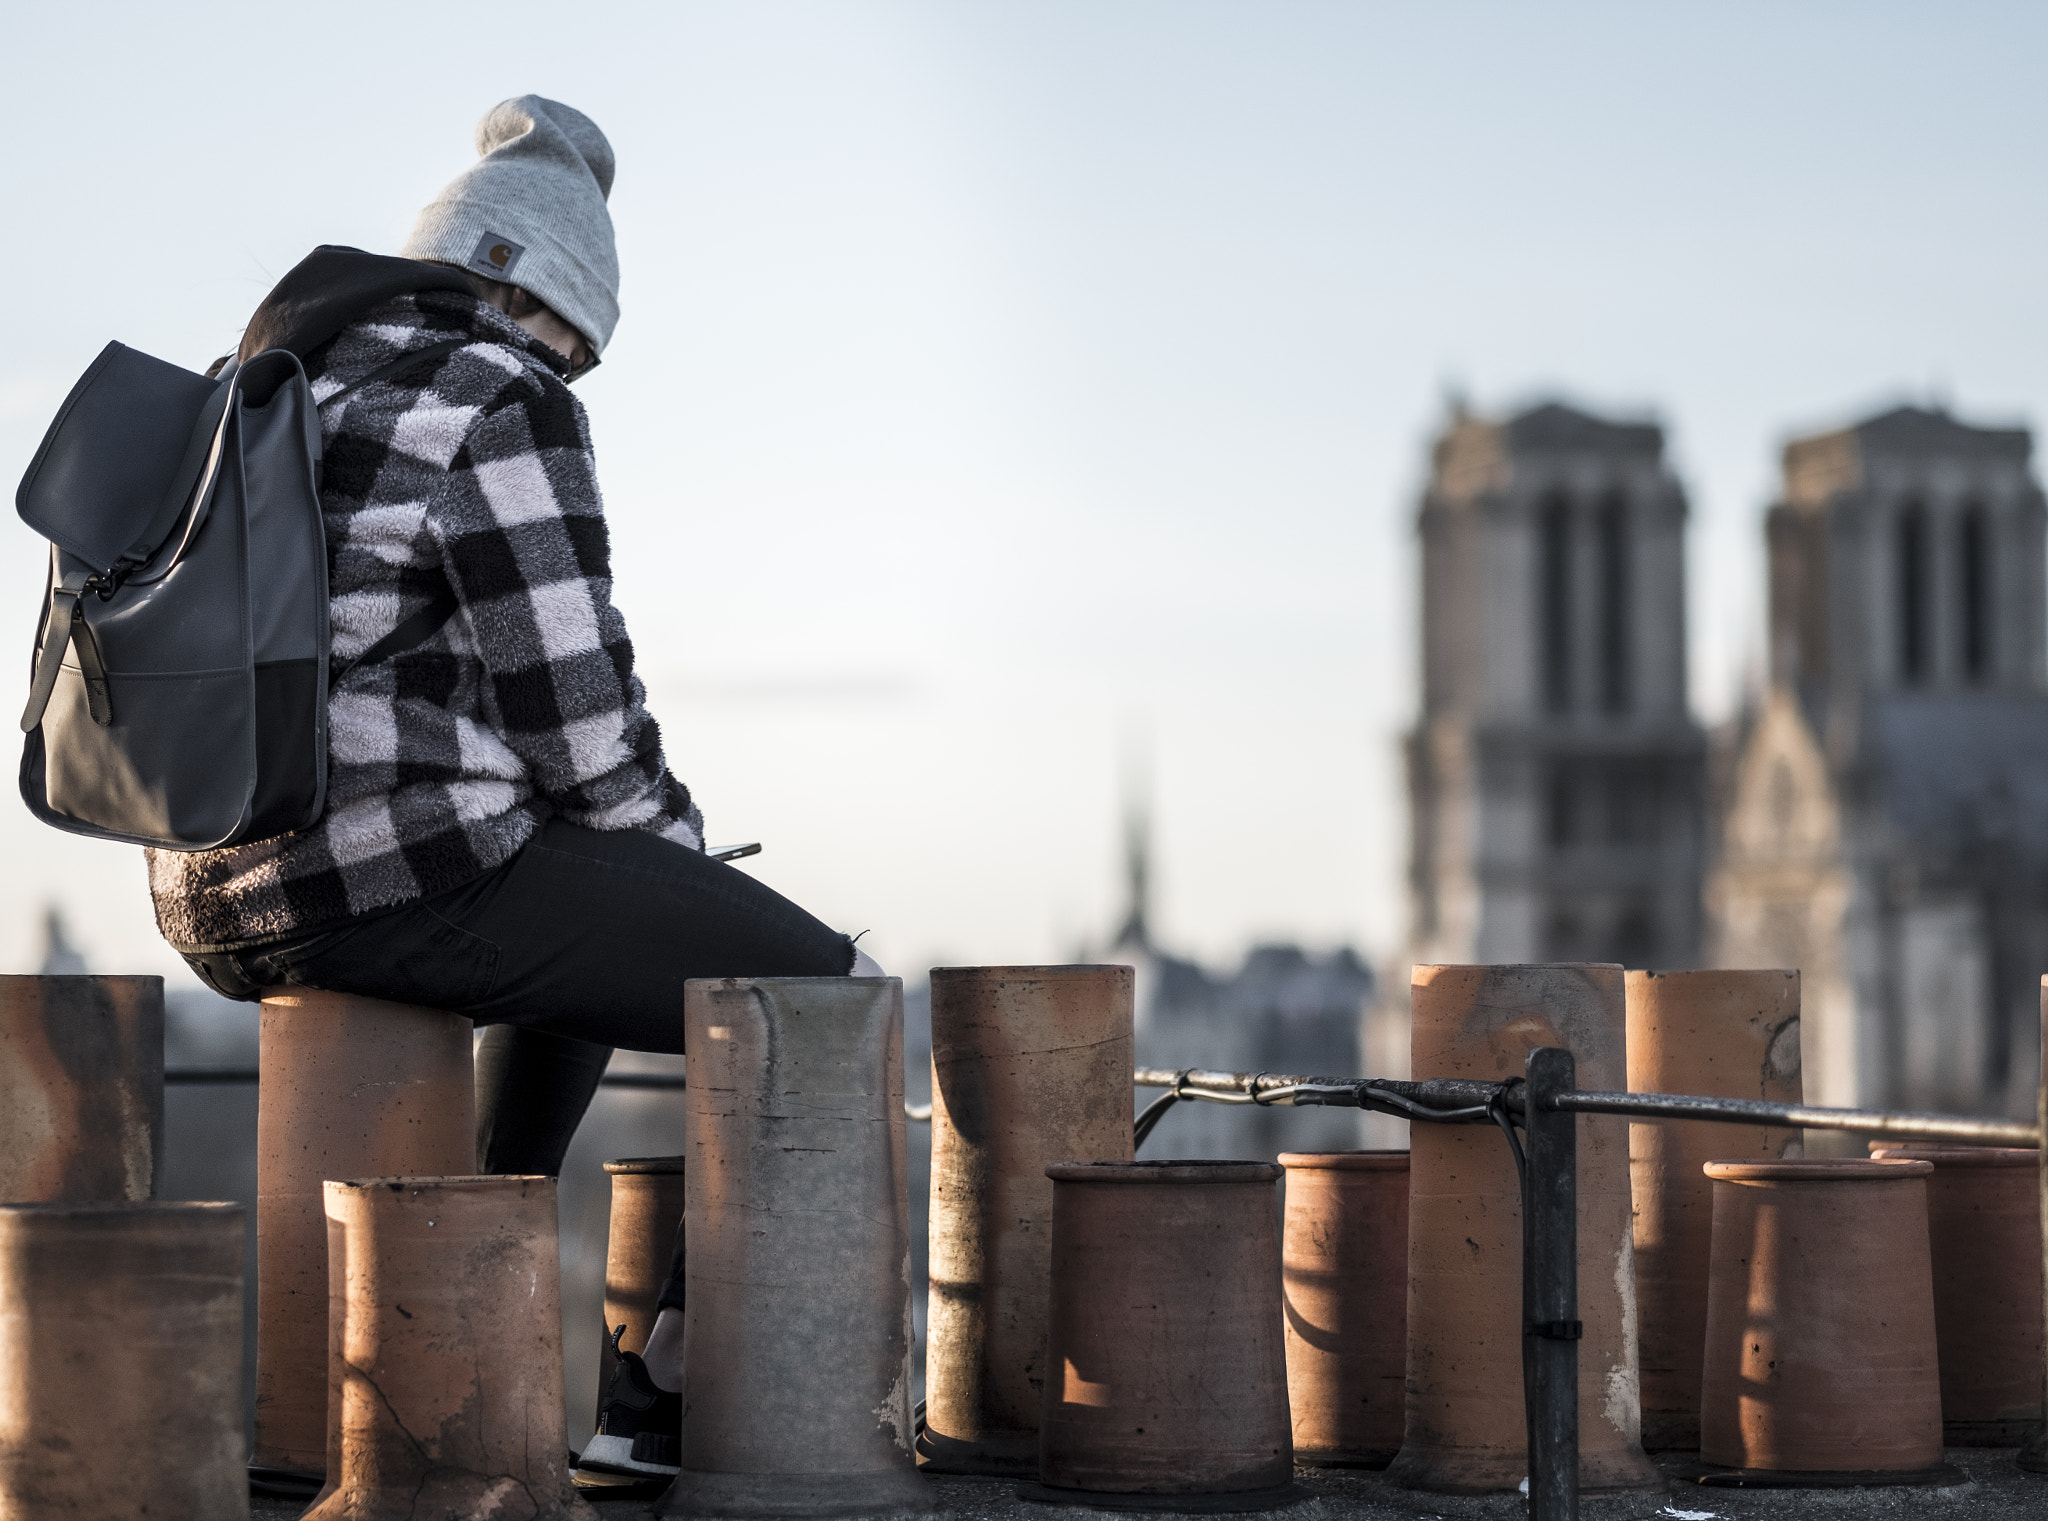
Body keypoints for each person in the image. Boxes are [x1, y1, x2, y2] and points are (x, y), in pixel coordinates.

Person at [152, 96, 873, 1478]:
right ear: (521, 294)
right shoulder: (493, 393)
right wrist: (690, 864)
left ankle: (488, 1315)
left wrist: (647, 880)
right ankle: (667, 1390)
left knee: (592, 930)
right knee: (821, 996)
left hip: (206, 885)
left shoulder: (269, 381)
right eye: (576, 348)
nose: (571, 377)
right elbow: (578, 719)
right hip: (379, 873)